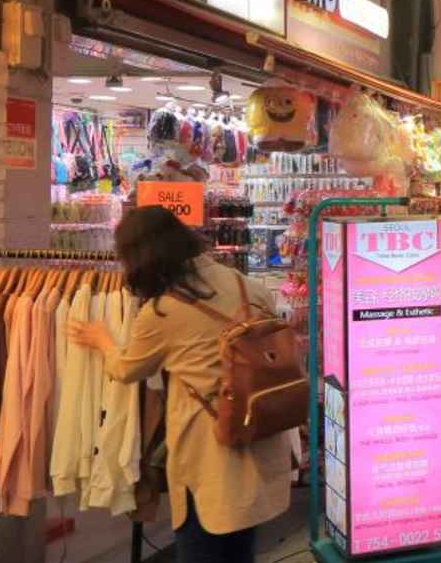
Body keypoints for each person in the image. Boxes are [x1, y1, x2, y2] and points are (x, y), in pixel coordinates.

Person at [65, 206, 291, 562]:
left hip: (209, 449)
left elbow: (127, 369)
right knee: (239, 545)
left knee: (202, 542)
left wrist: (102, 340)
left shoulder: (163, 312)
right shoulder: (247, 286)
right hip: (258, 434)